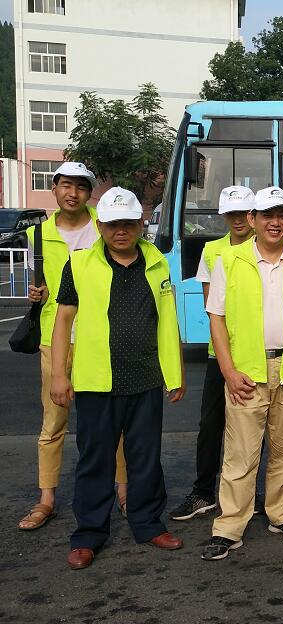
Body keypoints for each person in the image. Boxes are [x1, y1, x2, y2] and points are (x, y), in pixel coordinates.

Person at [50, 187, 186, 569]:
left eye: (128, 223)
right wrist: (59, 374)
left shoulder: (157, 262)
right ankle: (88, 535)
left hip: (145, 379)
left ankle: (148, 523)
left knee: (146, 458)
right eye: (112, 224)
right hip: (96, 381)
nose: (121, 231)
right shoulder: (79, 264)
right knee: (95, 461)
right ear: (101, 226)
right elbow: (63, 321)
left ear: (141, 224)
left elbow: (168, 320)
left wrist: (175, 373)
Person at [201, 186, 283, 560]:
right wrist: (228, 370)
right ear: (252, 219)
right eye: (267, 215)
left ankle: (281, 512)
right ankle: (229, 526)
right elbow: (216, 318)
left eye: (282, 215)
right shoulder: (230, 260)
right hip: (246, 372)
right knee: (240, 454)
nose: (275, 222)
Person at [20, 162, 129, 531]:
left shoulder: (106, 225)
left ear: (90, 193)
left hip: (102, 336)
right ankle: (46, 499)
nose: (73, 193)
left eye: (81, 187)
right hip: (56, 339)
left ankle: (124, 490)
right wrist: (36, 294)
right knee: (53, 422)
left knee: (113, 421)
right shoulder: (37, 234)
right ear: (54, 188)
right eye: (66, 185)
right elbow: (38, 282)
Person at [169, 185, 255, 521]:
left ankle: (249, 493)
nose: (238, 220)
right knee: (210, 424)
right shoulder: (212, 250)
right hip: (220, 353)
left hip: (257, 352)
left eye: (243, 213)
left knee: (254, 428)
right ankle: (203, 492)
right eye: (231, 214)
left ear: (253, 215)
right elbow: (211, 308)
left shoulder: (265, 247)